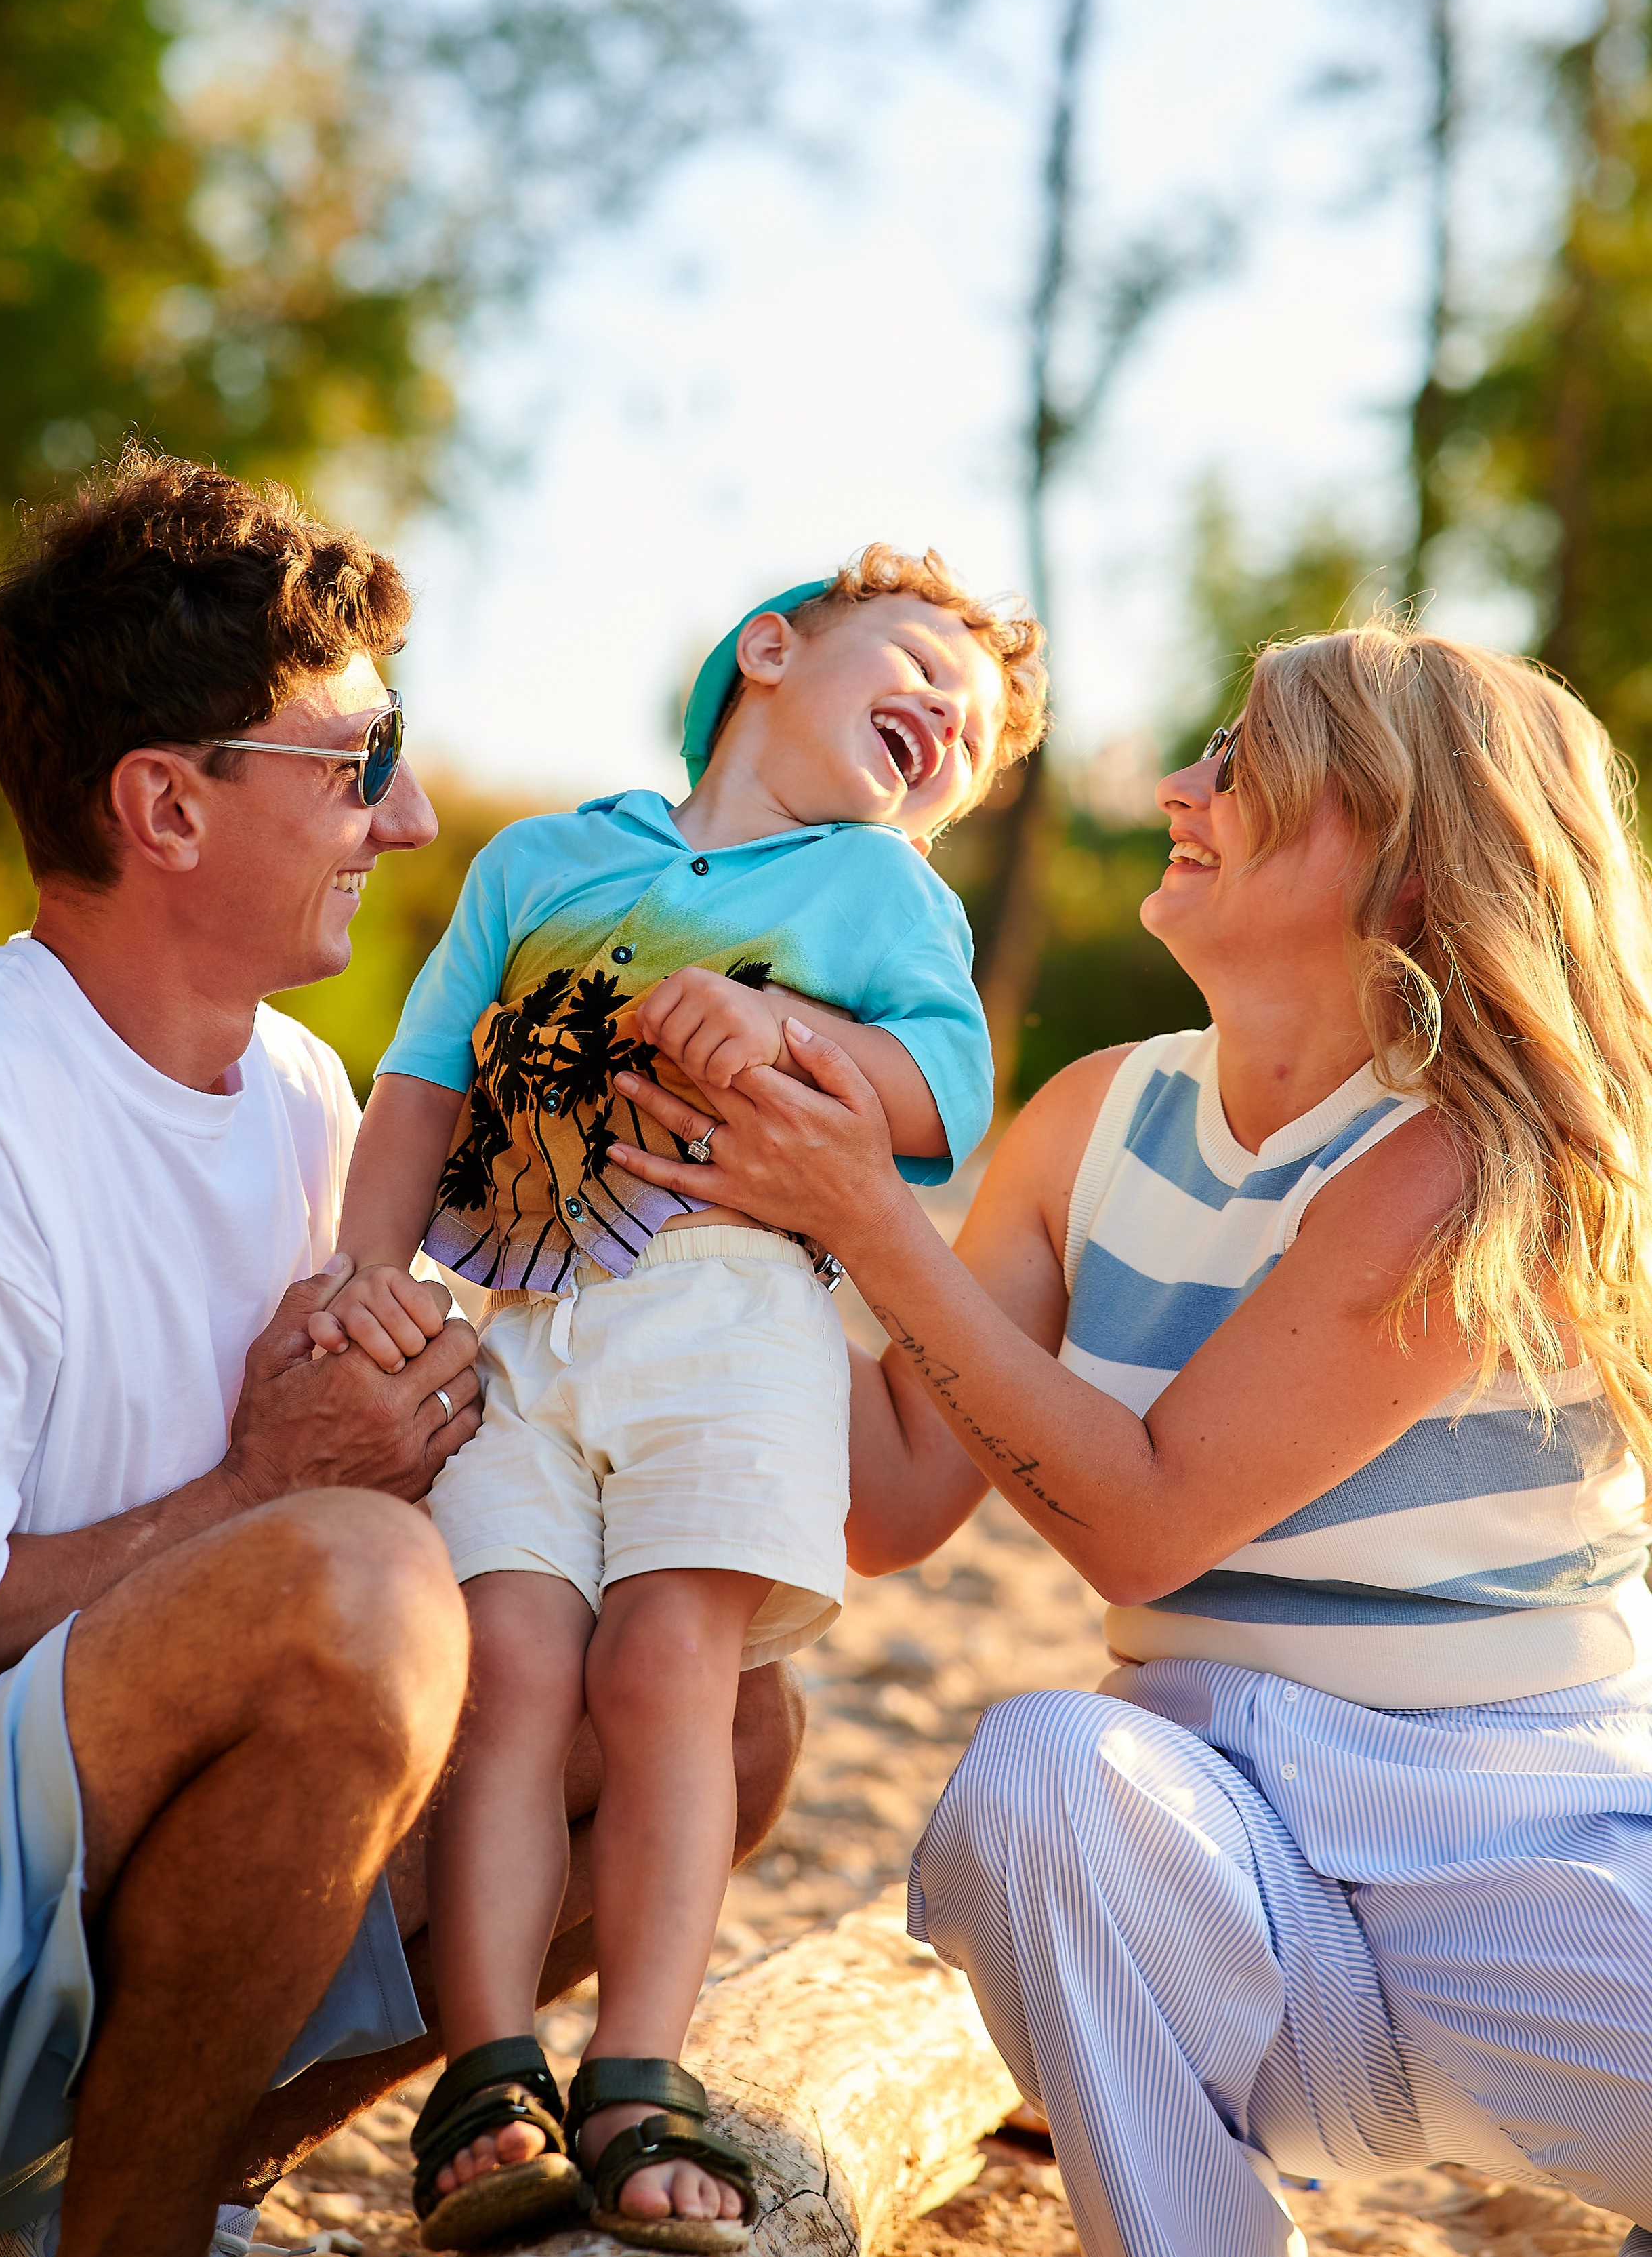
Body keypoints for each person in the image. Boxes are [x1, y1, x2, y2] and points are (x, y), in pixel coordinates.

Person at [608, 621, 1652, 2257]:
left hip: (1526, 1860)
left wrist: (869, 1222)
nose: (1178, 782)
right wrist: (716, 1206)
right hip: (1218, 1869)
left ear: (1399, 852)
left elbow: (1142, 1521)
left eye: (1241, 762)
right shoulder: (1097, 1118)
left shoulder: (1465, 1165)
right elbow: (889, 1498)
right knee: (1038, 1775)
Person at [0, 447, 802, 2257]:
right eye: (358, 766)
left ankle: (151, 2188)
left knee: (704, 1708)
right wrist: (271, 1490)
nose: (405, 823)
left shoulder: (312, 1096)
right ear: (165, 808)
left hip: (95, 1922)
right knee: (353, 1583)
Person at [308, 547, 1048, 2250]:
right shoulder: (542, 860)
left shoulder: (879, 895)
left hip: (730, 1324)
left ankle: (638, 2065)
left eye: (982, 734)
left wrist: (787, 1040)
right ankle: (486, 2075)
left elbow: (938, 1090)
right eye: (925, 663)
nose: (951, 716)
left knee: (663, 1674)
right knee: (508, 1681)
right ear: (771, 651)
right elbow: (421, 1077)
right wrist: (367, 1268)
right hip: (518, 1312)